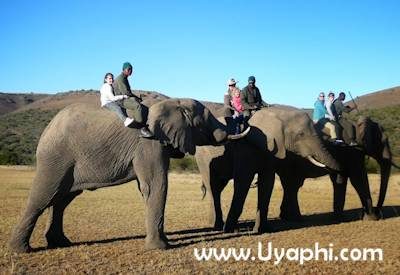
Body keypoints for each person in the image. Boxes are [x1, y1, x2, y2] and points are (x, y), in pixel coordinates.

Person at [113, 62, 153, 138]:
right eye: (129, 69)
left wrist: (136, 97)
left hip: (124, 97)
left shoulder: (124, 78)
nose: (131, 71)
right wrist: (135, 98)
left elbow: (128, 92)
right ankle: (141, 127)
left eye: (131, 69)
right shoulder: (121, 79)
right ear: (124, 70)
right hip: (121, 100)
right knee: (137, 106)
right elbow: (126, 92)